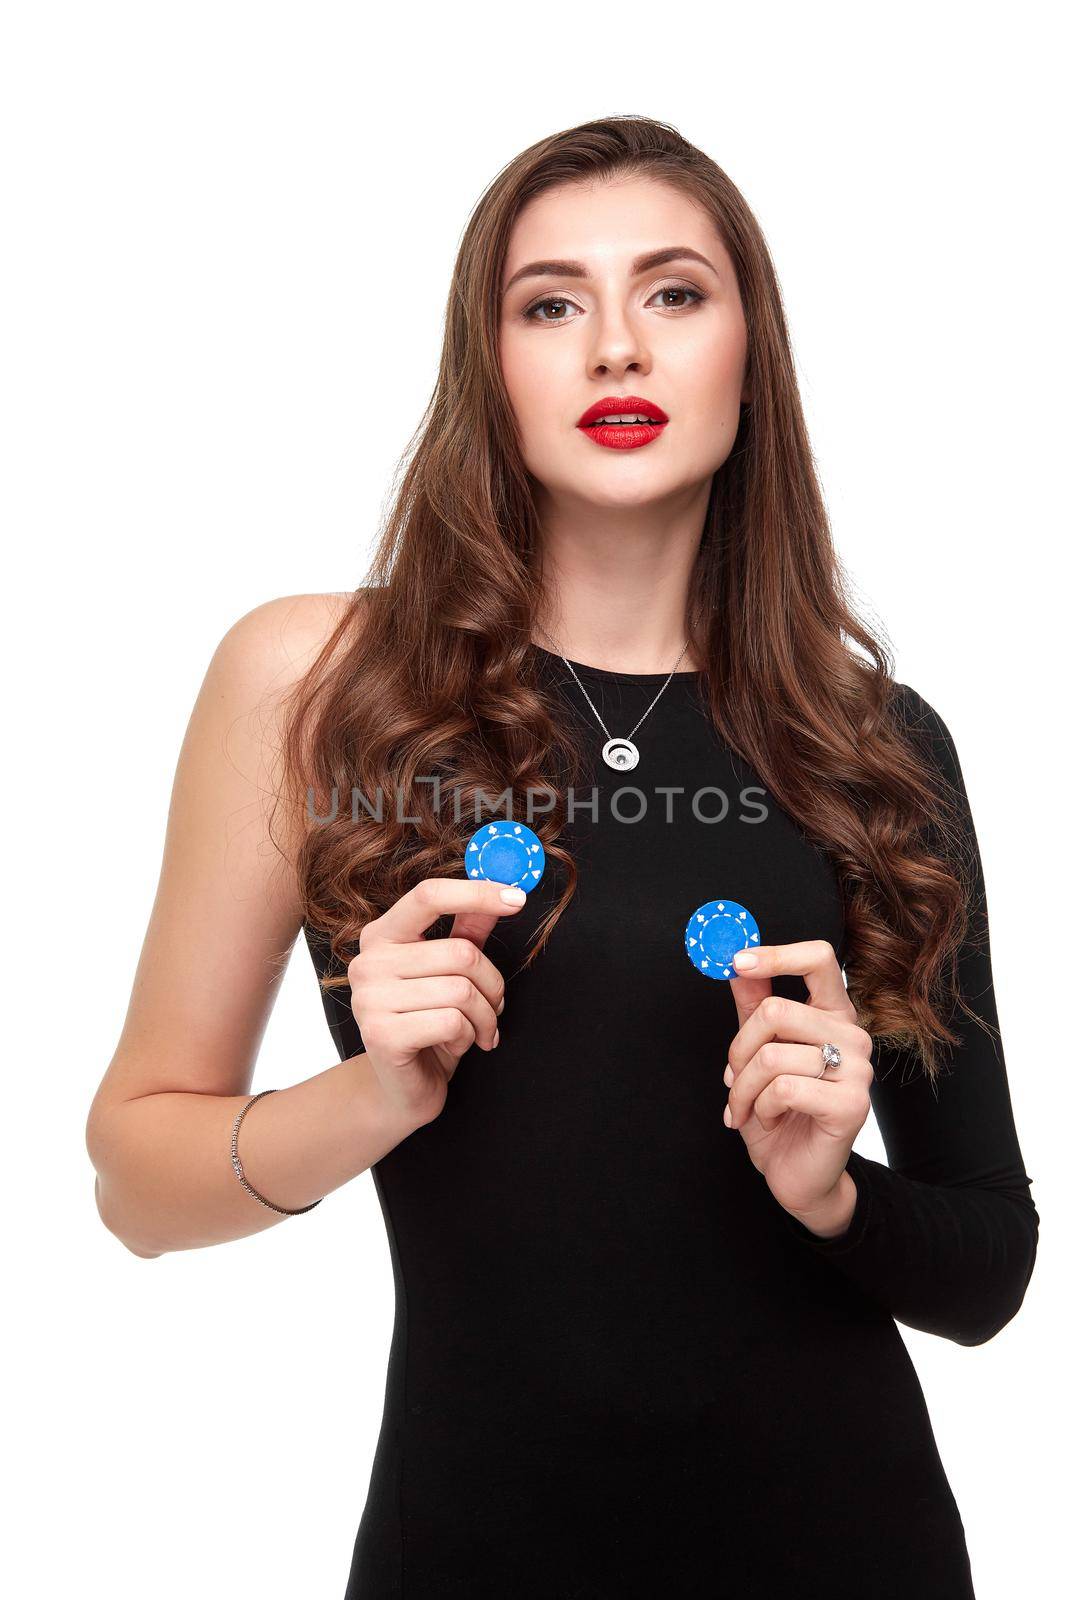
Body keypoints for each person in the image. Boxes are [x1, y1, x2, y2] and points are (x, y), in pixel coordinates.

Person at [85, 116, 1039, 1599]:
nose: (615, 349)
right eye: (551, 303)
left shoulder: (876, 743)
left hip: (846, 1552)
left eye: (673, 293)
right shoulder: (319, 685)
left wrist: (829, 1190)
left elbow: (989, 1267)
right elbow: (137, 1184)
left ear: (748, 349)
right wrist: (371, 1096)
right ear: (494, 364)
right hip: (464, 1555)